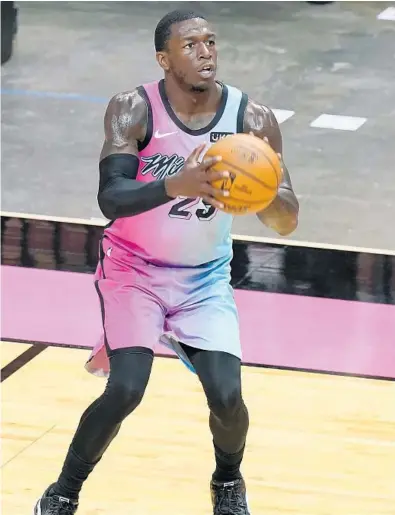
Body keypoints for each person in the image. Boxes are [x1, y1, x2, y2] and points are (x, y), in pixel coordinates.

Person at [34, 9, 299, 515]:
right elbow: (111, 198)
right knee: (126, 390)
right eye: (191, 45)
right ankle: (63, 492)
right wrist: (175, 184)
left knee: (226, 396)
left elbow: (287, 222)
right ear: (164, 58)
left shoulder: (252, 119)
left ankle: (227, 481)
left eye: (211, 42)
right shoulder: (133, 109)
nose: (205, 53)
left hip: (204, 278)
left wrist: (259, 192)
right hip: (134, 271)